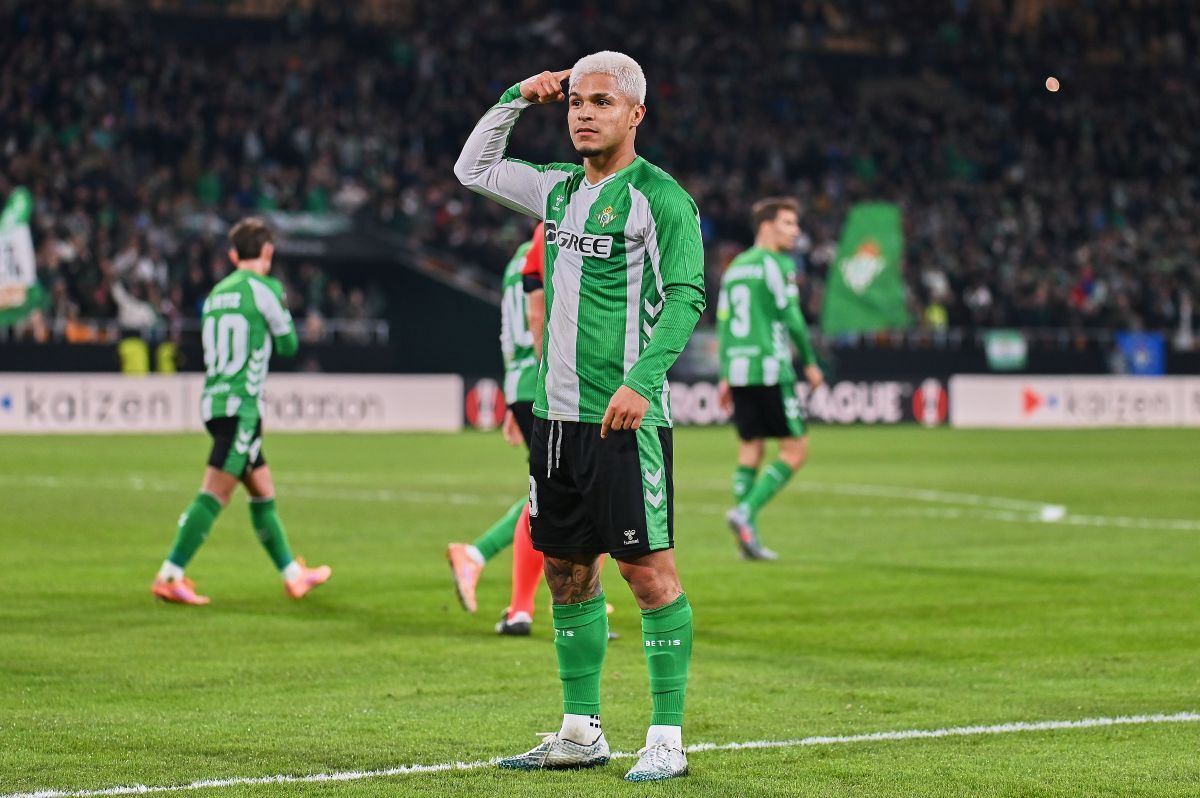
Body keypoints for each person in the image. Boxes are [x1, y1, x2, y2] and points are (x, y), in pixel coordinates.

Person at [455, 51, 705, 782]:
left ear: (635, 115)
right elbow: (473, 169)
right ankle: (580, 730)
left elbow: (687, 295)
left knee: (648, 572)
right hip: (556, 421)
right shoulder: (558, 191)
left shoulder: (662, 198)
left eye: (600, 102)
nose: (583, 114)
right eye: (574, 103)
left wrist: (642, 381)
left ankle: (666, 737)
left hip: (626, 420)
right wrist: (513, 96)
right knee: (565, 570)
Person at [150, 218, 331, 605]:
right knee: (215, 493)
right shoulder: (266, 289)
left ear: (233, 255)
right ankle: (170, 574)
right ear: (267, 252)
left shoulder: (216, 294)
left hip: (214, 400)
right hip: (242, 406)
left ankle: (292, 574)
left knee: (263, 490)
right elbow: (288, 345)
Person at [446, 224, 545, 633]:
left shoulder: (514, 263)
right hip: (550, 383)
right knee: (561, 495)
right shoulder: (560, 244)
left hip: (521, 383)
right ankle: (485, 562)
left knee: (561, 493)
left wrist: (511, 394)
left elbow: (508, 332)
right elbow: (542, 317)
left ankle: (569, 600)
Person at [716, 197, 824, 560]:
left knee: (750, 449)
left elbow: (725, 323)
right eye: (789, 223)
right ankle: (746, 512)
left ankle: (748, 539)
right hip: (771, 368)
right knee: (795, 450)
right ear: (766, 226)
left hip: (740, 370)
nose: (796, 231)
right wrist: (809, 362)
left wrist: (726, 373)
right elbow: (791, 316)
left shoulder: (735, 268)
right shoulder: (776, 265)